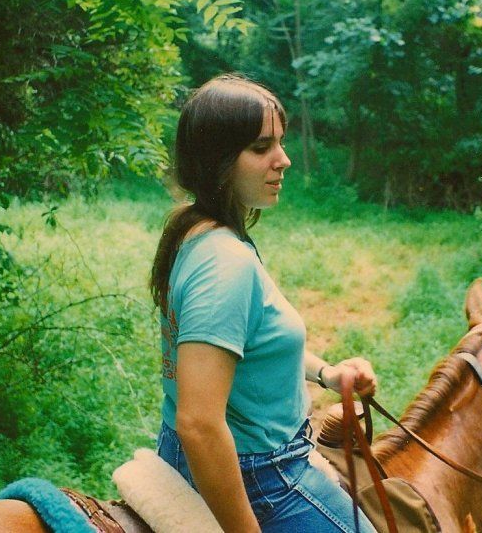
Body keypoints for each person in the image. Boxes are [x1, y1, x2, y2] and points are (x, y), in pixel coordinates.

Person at [149, 73, 378, 533]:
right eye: (261, 148)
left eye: (280, 142)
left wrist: (327, 374)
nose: (283, 160)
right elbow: (198, 422)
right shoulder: (224, 263)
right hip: (262, 477)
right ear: (217, 160)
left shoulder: (197, 231)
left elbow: (250, 344)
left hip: (208, 454)